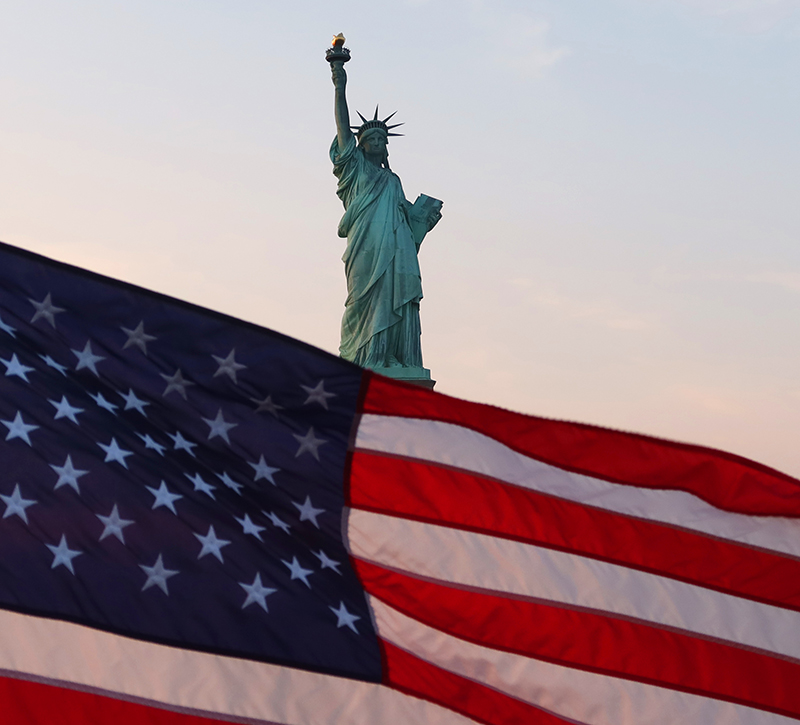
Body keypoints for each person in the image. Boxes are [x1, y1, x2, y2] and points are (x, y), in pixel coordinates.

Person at [330, 60, 442, 372]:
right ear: (361, 146)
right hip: (365, 246)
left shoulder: (393, 181)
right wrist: (340, 85)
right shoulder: (353, 170)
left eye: (382, 139)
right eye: (371, 140)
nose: (377, 143)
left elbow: (407, 225)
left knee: (396, 296)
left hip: (396, 251)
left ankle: (390, 355)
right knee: (363, 299)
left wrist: (424, 222)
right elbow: (342, 128)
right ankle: (364, 357)